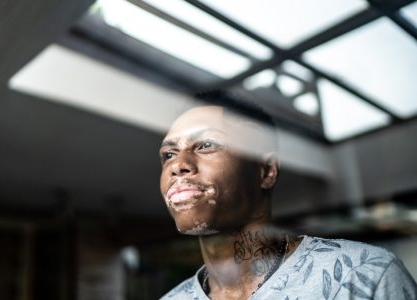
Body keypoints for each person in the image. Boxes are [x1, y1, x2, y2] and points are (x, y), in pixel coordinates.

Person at [158, 105, 417, 299]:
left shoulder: (366, 274)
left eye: (206, 144)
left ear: (266, 171)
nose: (178, 165)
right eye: (169, 154)